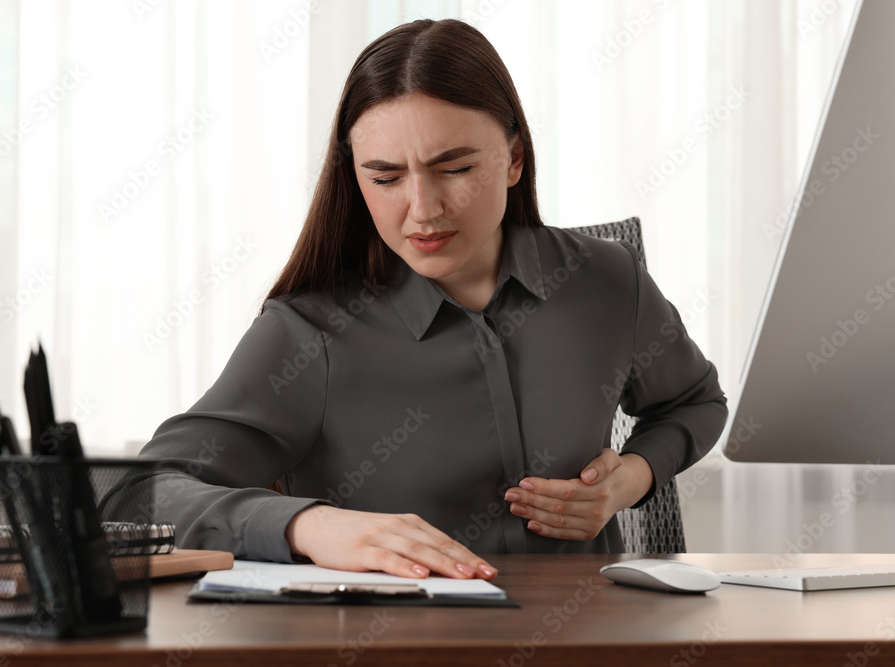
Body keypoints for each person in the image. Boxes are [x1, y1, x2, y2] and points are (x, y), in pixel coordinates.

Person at [136, 18, 727, 583]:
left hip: (590, 637)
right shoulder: (309, 331)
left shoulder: (606, 278)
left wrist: (629, 480)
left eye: (455, 167)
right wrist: (310, 527)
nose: (422, 209)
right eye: (386, 178)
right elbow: (145, 493)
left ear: (514, 159)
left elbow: (695, 403)